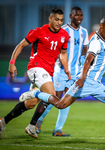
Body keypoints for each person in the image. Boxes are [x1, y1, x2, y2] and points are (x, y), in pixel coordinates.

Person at [19, 16, 105, 143]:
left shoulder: (103, 39)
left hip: (96, 84)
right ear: (101, 26)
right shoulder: (96, 41)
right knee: (61, 104)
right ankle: (35, 93)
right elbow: (88, 60)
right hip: (85, 82)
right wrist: (82, 78)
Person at [0, 8, 70, 139]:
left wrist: (66, 68)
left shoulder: (64, 35)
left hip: (48, 72)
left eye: (61, 20)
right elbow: (20, 45)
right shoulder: (39, 32)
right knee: (52, 94)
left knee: (31, 104)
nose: (59, 22)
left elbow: (63, 53)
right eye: (56, 19)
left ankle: (3, 122)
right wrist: (12, 62)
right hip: (35, 68)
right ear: (50, 19)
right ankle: (33, 124)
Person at [35, 7, 89, 137]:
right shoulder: (63, 29)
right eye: (77, 15)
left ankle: (58, 130)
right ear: (71, 16)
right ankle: (37, 122)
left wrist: (83, 62)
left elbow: (85, 50)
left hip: (75, 72)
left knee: (67, 99)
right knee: (56, 97)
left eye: (81, 15)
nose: (80, 18)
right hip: (60, 70)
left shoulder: (84, 32)